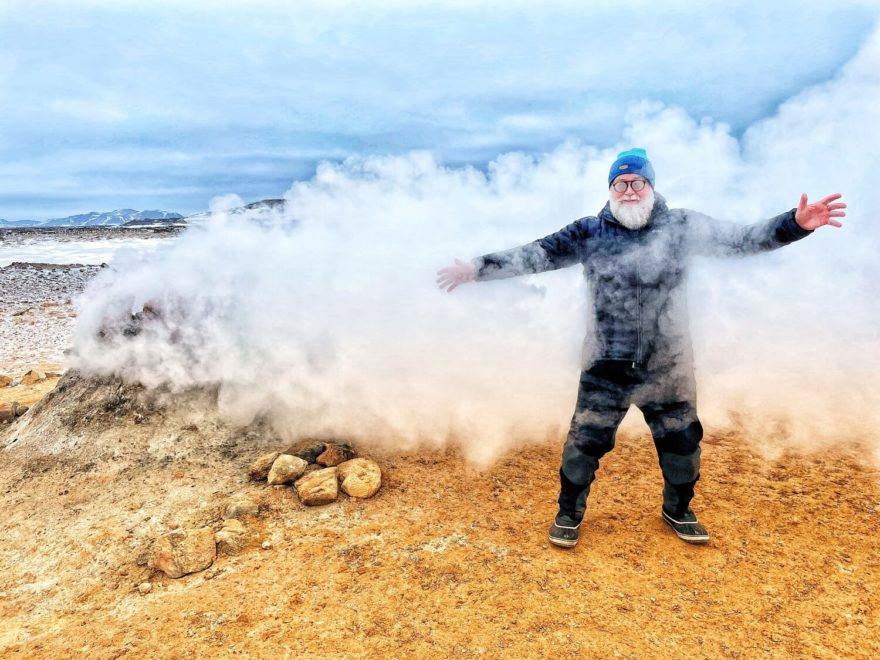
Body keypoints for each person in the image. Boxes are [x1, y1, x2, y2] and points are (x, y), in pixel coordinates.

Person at [436, 148, 845, 548]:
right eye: (620, 183)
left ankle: (678, 510)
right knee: (583, 445)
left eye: (637, 181)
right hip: (605, 364)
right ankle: (568, 513)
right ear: (610, 189)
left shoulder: (682, 226)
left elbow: (742, 241)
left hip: (669, 364)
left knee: (682, 446)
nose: (629, 190)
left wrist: (795, 223)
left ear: (651, 185)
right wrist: (477, 268)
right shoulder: (588, 232)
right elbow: (534, 255)